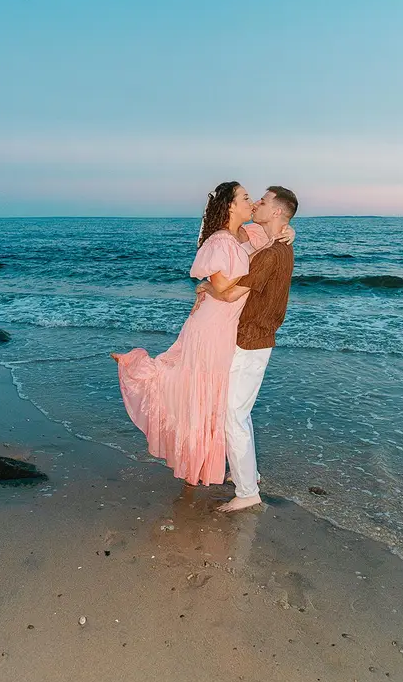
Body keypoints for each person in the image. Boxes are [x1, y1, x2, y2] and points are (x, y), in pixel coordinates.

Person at [110, 182, 292, 488]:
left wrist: (290, 232)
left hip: (227, 326)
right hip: (212, 325)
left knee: (214, 398)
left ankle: (220, 466)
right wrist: (208, 285)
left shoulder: (250, 234)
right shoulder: (219, 242)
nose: (252, 202)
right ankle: (137, 370)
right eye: (246, 198)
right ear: (231, 206)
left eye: (255, 199)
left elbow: (275, 235)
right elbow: (222, 288)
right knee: (197, 391)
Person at [195, 186, 298, 512]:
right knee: (240, 413)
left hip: (251, 340)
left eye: (263, 202)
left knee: (233, 417)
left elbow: (228, 293)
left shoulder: (271, 254)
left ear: (277, 212)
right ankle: (248, 474)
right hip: (256, 338)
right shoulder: (278, 246)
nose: (256, 204)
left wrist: (207, 285)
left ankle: (247, 492)